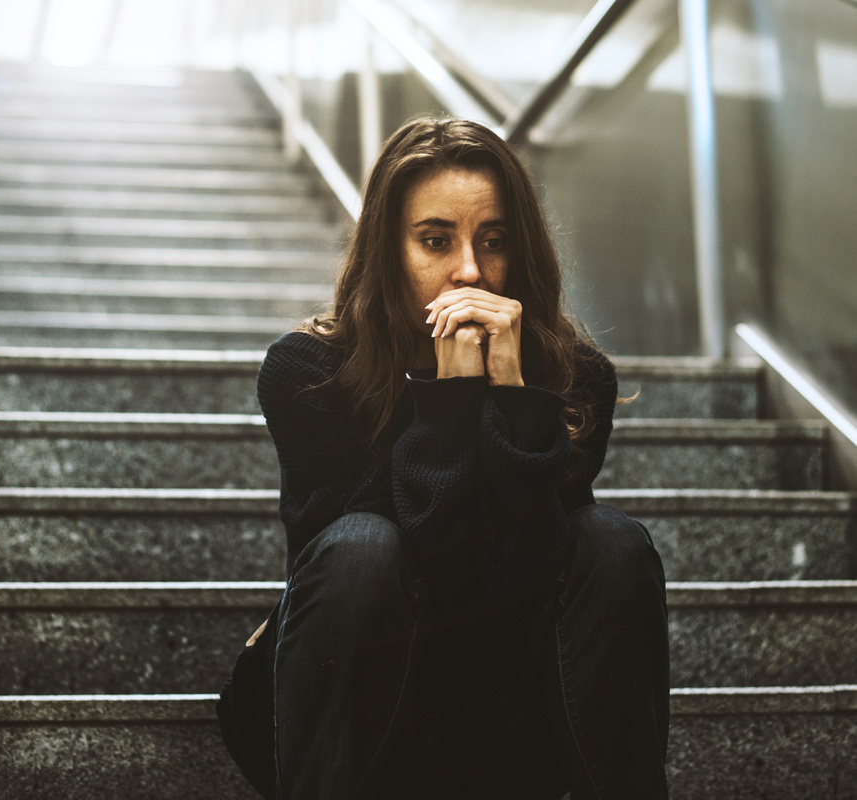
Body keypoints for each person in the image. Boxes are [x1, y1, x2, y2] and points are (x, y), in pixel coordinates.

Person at [217, 116, 670, 800]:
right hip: (368, 711)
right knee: (363, 546)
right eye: (435, 240)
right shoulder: (306, 371)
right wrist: (452, 399)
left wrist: (516, 402)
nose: (469, 271)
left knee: (611, 542)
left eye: (493, 241)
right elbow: (361, 566)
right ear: (386, 250)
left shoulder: (575, 381)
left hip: (509, 713)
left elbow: (525, 564)